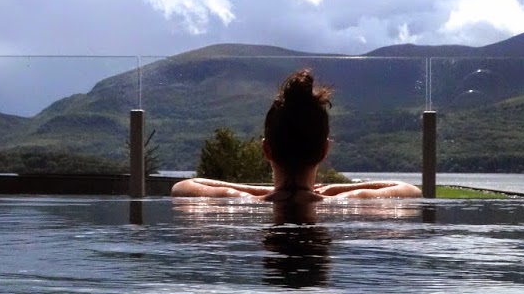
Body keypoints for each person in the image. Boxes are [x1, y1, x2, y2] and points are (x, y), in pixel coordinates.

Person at [171, 69, 422, 203]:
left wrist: (261, 192)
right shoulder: (342, 203)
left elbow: (183, 187)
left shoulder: (246, 202)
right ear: (324, 151)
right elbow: (409, 190)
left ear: (266, 150)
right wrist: (331, 190)